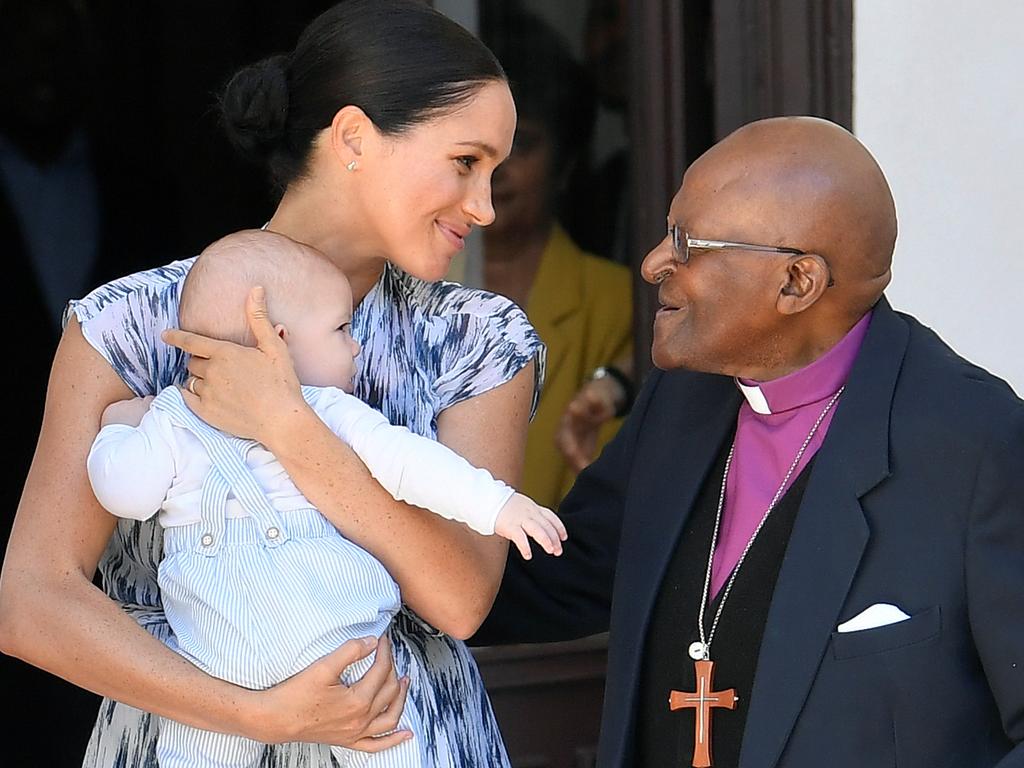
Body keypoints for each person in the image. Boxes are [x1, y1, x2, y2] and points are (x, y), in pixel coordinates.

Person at [0, 2, 542, 766]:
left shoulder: (480, 339)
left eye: (495, 171)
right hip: (185, 743)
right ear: (353, 137)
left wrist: (290, 427)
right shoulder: (128, 323)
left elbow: (458, 599)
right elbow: (32, 604)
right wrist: (261, 715)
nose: (484, 206)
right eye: (465, 162)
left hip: (405, 740)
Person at [474, 116, 1024, 767]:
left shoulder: (977, 442)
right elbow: (565, 575)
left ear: (797, 282)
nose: (653, 264)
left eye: (686, 242)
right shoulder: (680, 400)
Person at [87, 229, 564, 767]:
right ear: (279, 339)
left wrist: (497, 505)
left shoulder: (322, 412)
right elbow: (126, 494)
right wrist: (121, 431)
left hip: (323, 639)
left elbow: (413, 466)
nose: (355, 345)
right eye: (341, 330)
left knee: (386, 737)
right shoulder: (173, 417)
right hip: (221, 661)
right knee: (202, 745)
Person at [482, 10, 633, 509]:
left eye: (520, 145)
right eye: (474, 150)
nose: (495, 170)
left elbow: (598, 482)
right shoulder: (401, 285)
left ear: (566, 165)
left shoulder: (617, 301)